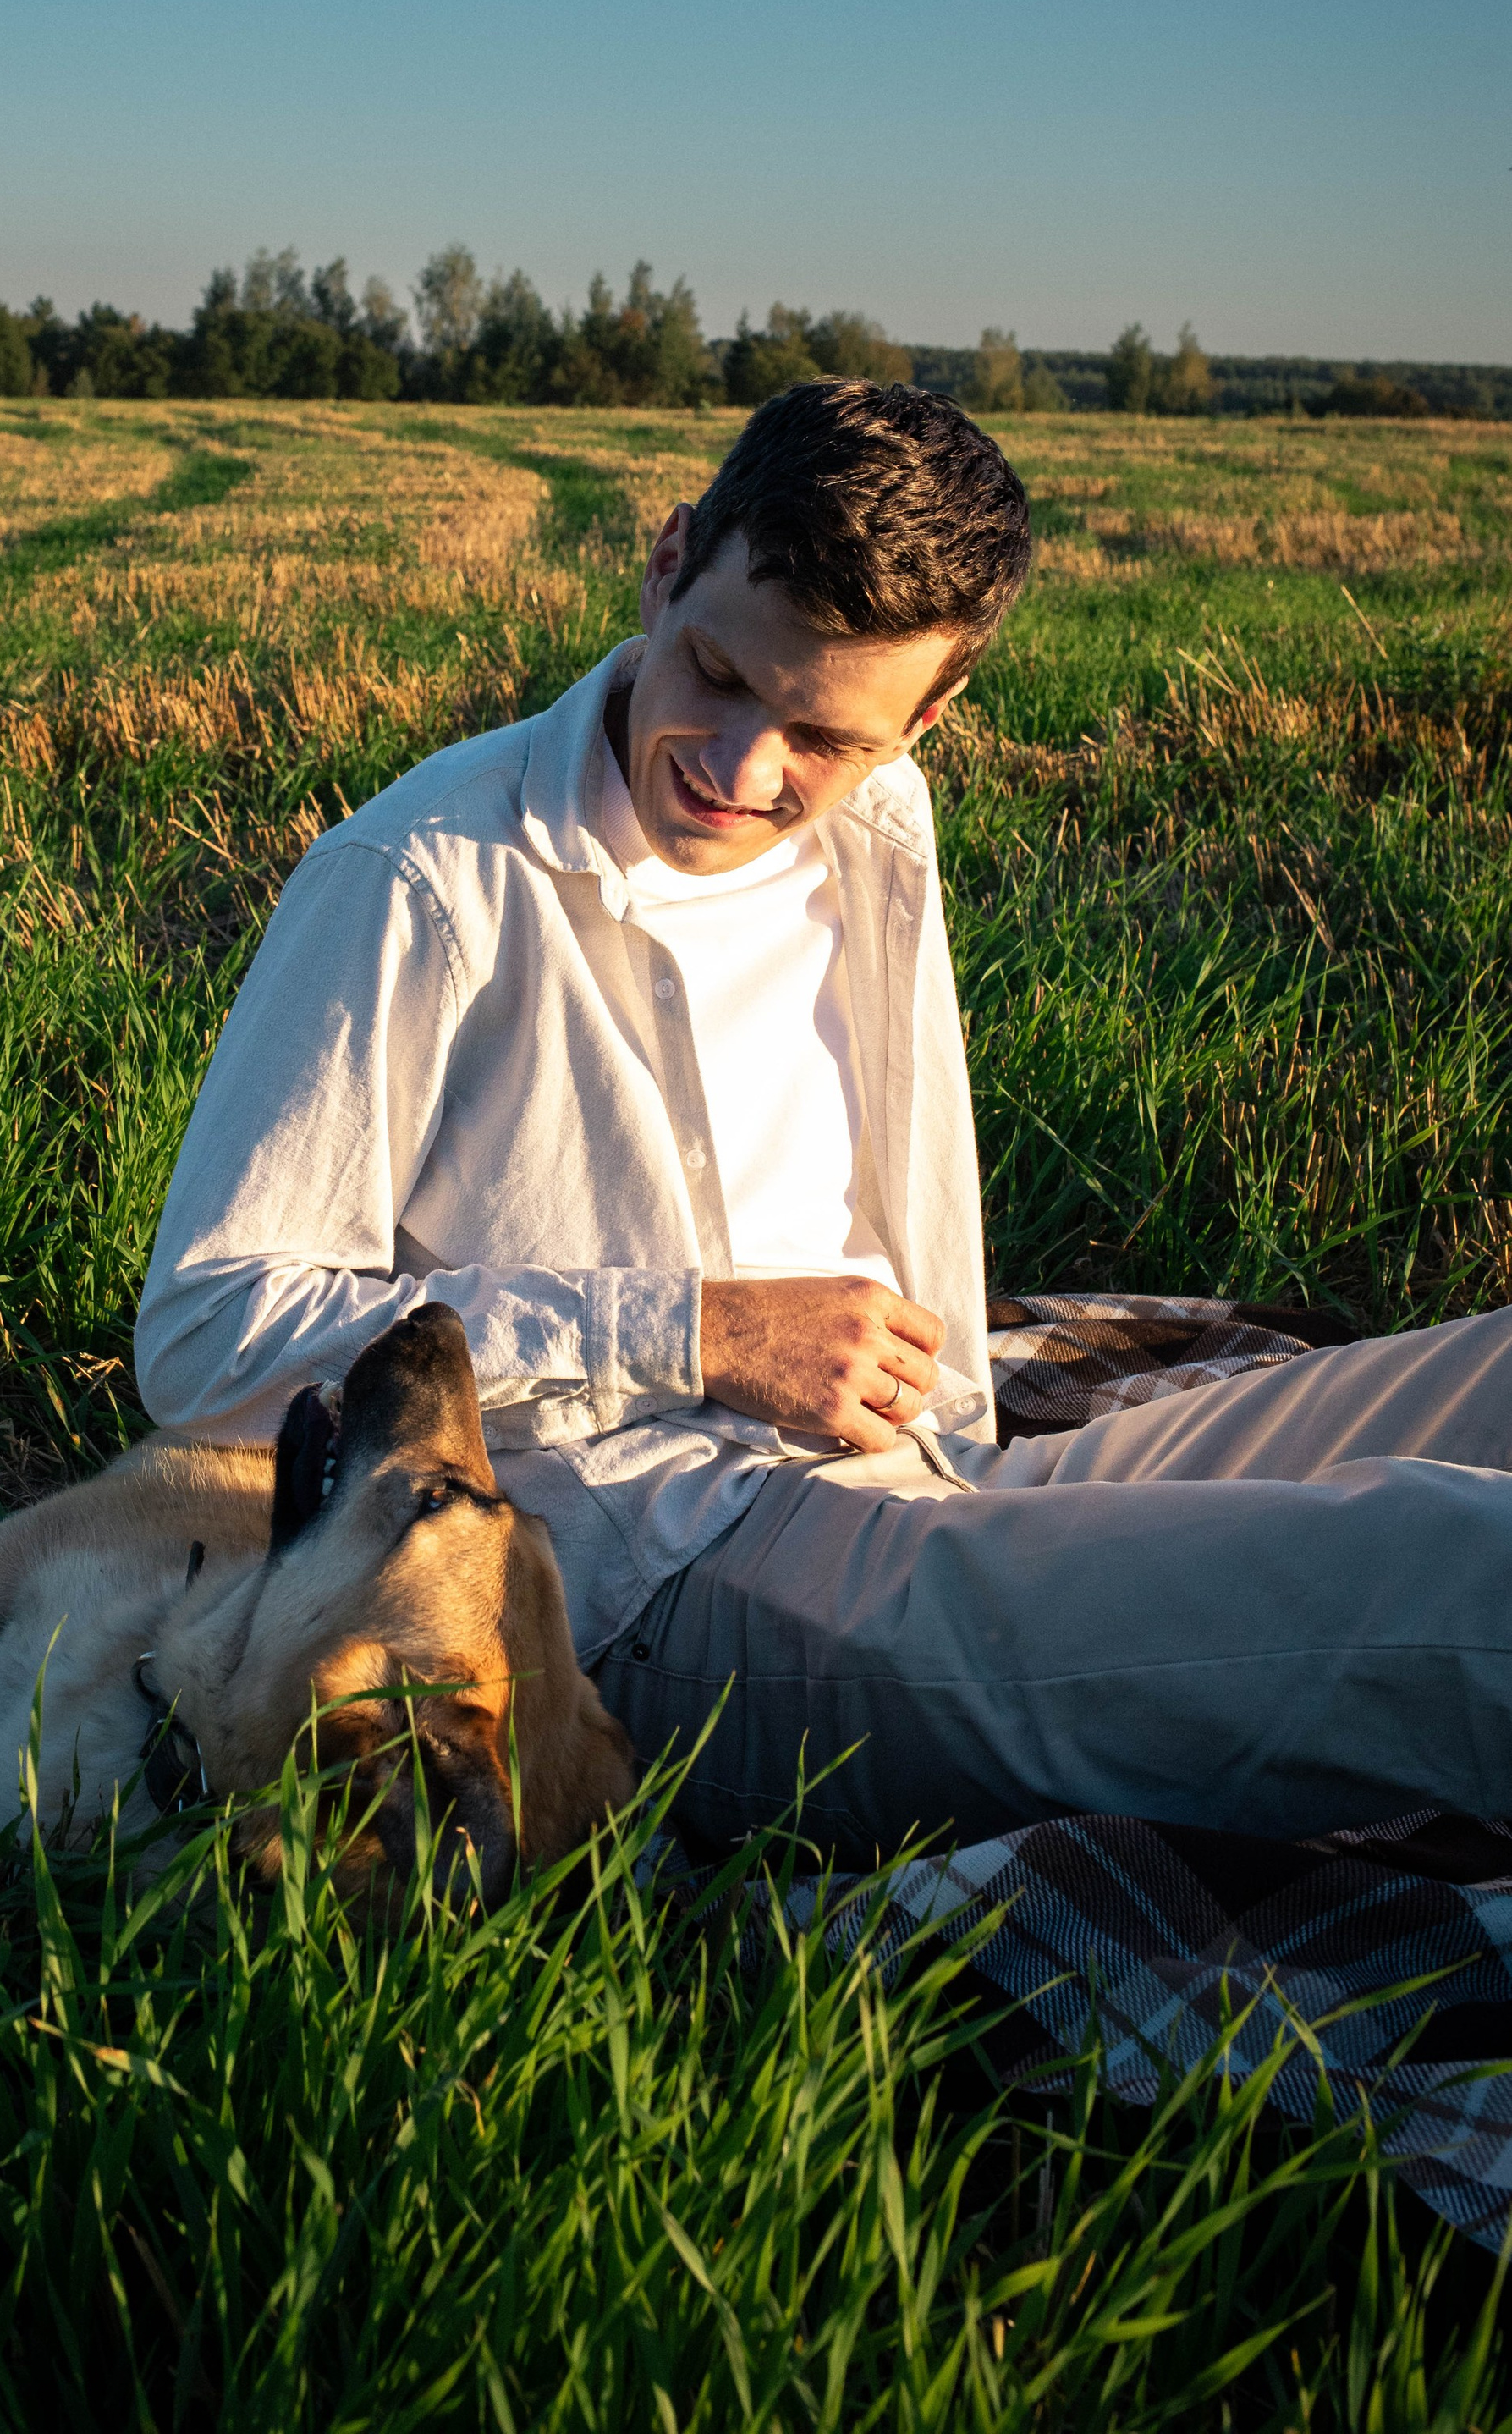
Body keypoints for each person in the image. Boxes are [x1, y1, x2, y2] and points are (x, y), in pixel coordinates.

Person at [136, 380, 1512, 1858]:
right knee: (1451, 1573)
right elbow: (206, 1335)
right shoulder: (421, 880)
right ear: (667, 565)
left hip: (927, 1469)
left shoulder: (882, 818)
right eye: (718, 675)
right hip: (664, 1586)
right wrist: (701, 1333)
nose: (740, 768)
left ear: (929, 717)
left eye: (821, 733)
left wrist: (957, 1432)